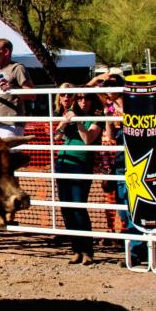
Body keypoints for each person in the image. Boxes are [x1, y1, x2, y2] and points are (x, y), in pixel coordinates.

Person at [53, 89, 102, 264]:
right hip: (63, 162)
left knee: (78, 207)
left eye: (86, 99)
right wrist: (66, 121)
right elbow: (56, 136)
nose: (83, 102)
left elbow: (88, 139)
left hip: (81, 164)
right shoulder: (70, 115)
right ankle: (76, 249)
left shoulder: (97, 118)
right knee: (66, 208)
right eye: (80, 98)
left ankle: (87, 250)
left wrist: (79, 122)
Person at [0, 38, 33, 138]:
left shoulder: (17, 68)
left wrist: (13, 89)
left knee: (8, 154)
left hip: (12, 124)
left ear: (6, 52)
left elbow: (32, 95)